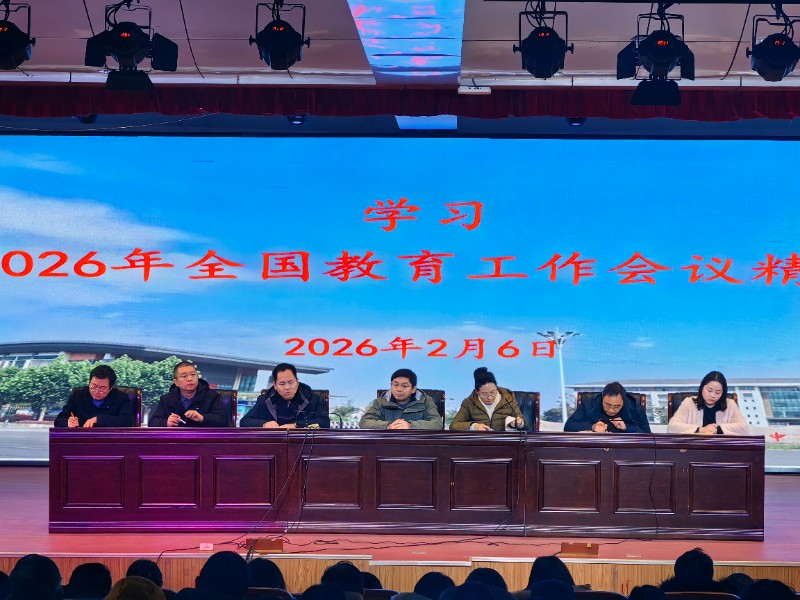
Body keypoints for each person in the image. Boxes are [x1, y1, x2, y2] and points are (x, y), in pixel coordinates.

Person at [240, 363, 329, 428]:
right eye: (282, 384)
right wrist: (264, 424)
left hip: (304, 444)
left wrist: (296, 426)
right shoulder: (265, 400)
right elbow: (244, 421)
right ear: (275, 385)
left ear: (297, 381)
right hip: (273, 443)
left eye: (291, 382)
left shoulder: (313, 399)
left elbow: (324, 422)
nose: (287, 387)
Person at [667, 371, 749, 435]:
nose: (713, 395)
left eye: (718, 392)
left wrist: (718, 429)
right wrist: (701, 430)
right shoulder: (689, 403)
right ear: (702, 388)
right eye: (709, 390)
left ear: (723, 393)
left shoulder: (730, 404)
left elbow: (744, 428)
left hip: (721, 449)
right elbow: (672, 426)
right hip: (694, 448)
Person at [148, 362, 227, 428]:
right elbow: (152, 422)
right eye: (184, 376)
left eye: (193, 374)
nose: (189, 379)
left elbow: (223, 421)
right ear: (176, 382)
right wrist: (166, 422)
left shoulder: (212, 396)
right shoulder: (166, 399)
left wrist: (202, 418)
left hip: (202, 440)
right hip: (175, 440)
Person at [54, 365, 133, 428]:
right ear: (89, 382)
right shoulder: (78, 396)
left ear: (110, 388)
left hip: (109, 440)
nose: (97, 391)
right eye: (94, 386)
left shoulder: (120, 397)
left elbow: (127, 421)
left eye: (102, 388)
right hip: (82, 440)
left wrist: (98, 420)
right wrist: (67, 422)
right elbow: (58, 421)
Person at [359, 369, 441, 429]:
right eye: (395, 385)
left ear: (413, 389)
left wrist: (410, 425)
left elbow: (437, 423)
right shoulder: (381, 401)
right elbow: (364, 422)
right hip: (389, 443)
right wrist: (388, 426)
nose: (399, 389)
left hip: (417, 444)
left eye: (404, 386)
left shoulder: (426, 400)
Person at [450, 368, 525, 432]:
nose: (489, 397)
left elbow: (524, 423)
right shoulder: (469, 402)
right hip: (481, 442)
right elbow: (454, 425)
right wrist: (474, 426)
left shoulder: (508, 399)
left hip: (504, 442)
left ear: (496, 387)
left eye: (492, 392)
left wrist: (519, 423)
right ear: (477, 392)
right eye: (484, 394)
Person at [564, 382, 651, 433]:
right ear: (602, 399)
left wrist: (626, 428)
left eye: (617, 406)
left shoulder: (636, 408)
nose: (611, 410)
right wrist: (592, 427)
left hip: (623, 451)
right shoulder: (588, 404)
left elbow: (647, 435)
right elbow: (568, 426)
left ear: (624, 402)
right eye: (607, 405)